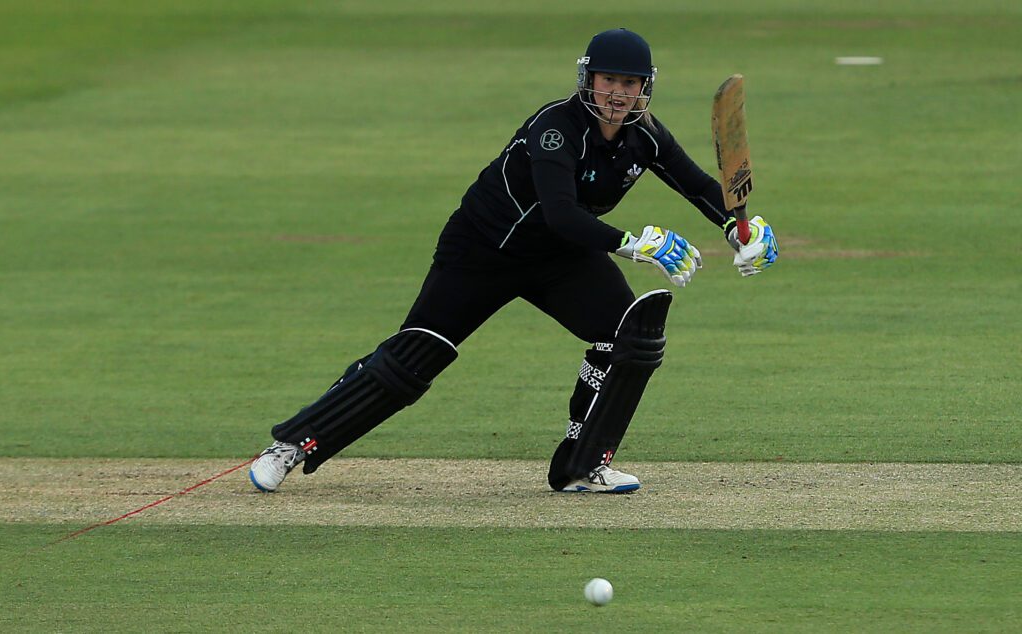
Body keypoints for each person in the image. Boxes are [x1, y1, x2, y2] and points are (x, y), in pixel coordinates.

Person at [249, 28, 779, 494]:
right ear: (588, 80)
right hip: (483, 250)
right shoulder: (556, 128)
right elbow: (561, 214)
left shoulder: (645, 134)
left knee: (629, 335)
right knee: (418, 357)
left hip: (559, 259)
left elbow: (698, 184)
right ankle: (292, 445)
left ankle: (582, 463)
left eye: (629, 83)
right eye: (608, 81)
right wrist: (634, 243)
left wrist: (739, 227)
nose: (618, 94)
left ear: (645, 87)